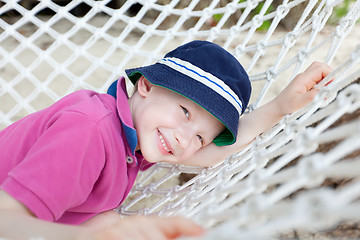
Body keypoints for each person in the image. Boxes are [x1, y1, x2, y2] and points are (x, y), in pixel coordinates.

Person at [0, 40, 332, 240]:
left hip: (60, 212)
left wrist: (279, 107)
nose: (184, 139)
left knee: (113, 221)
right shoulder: (89, 132)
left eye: (200, 136)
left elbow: (211, 154)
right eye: (185, 112)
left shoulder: (137, 135)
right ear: (145, 85)